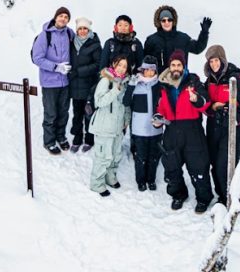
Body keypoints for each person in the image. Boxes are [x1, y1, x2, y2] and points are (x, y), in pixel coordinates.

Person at [154, 49, 213, 213]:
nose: (176, 68)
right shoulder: (164, 86)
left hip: (192, 129)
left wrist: (196, 99)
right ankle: (178, 194)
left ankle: (203, 198)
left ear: (184, 66)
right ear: (169, 66)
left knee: (198, 166)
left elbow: (205, 101)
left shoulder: (193, 82)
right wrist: (158, 118)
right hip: (171, 130)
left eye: (179, 65)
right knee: (171, 166)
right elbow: (161, 108)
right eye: (173, 65)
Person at [203, 45, 240, 205]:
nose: (214, 64)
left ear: (222, 60)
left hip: (230, 128)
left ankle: (229, 198)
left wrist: (231, 117)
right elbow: (205, 103)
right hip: (213, 127)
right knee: (214, 163)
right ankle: (221, 196)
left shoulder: (234, 79)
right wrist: (212, 108)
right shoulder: (208, 81)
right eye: (211, 61)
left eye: (216, 60)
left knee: (225, 164)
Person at [30, 6, 74, 155]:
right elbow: (37, 58)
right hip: (49, 82)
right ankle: (49, 141)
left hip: (65, 82)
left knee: (63, 112)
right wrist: (56, 67)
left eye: (66, 17)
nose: (63, 19)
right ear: (55, 17)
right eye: (61, 16)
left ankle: (60, 136)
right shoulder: (45, 35)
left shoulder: (69, 33)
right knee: (51, 113)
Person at [89, 55, 131, 196]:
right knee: (103, 156)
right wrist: (114, 91)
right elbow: (99, 102)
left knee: (115, 154)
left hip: (118, 126)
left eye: (124, 66)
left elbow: (125, 104)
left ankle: (110, 176)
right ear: (114, 65)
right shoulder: (105, 80)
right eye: (119, 65)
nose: (121, 69)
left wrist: (126, 119)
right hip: (104, 126)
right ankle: (97, 182)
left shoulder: (125, 83)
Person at [124, 55, 162, 191]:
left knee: (153, 157)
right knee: (140, 157)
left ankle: (151, 180)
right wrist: (130, 86)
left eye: (152, 70)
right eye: (147, 69)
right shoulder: (135, 83)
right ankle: (140, 181)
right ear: (142, 70)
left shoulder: (159, 85)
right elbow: (126, 102)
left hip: (156, 128)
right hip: (139, 129)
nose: (149, 72)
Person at [144, 4, 212, 72]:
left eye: (169, 20)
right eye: (163, 20)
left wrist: (204, 32)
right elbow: (144, 62)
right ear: (159, 22)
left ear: (173, 21)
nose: (166, 22)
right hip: (159, 80)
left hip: (180, 79)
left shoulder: (183, 38)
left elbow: (198, 48)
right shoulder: (151, 40)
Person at [69, 16, 102, 153]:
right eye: (80, 29)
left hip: (89, 85)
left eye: (85, 28)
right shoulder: (71, 43)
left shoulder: (94, 43)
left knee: (89, 113)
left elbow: (98, 65)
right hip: (75, 85)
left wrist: (79, 71)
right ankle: (77, 138)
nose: (82, 31)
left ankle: (89, 139)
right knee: (77, 114)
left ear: (89, 30)